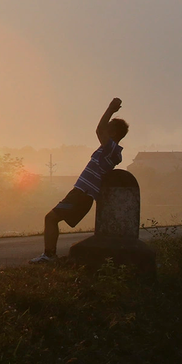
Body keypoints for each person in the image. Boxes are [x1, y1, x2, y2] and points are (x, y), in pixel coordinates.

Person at [31, 98, 128, 263]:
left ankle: (49, 255)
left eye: (109, 127)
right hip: (82, 194)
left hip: (82, 194)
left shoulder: (111, 150)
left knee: (51, 218)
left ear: (113, 133)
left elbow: (99, 129)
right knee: (52, 219)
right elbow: (101, 130)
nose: (105, 129)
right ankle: (50, 254)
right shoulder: (111, 151)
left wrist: (110, 109)